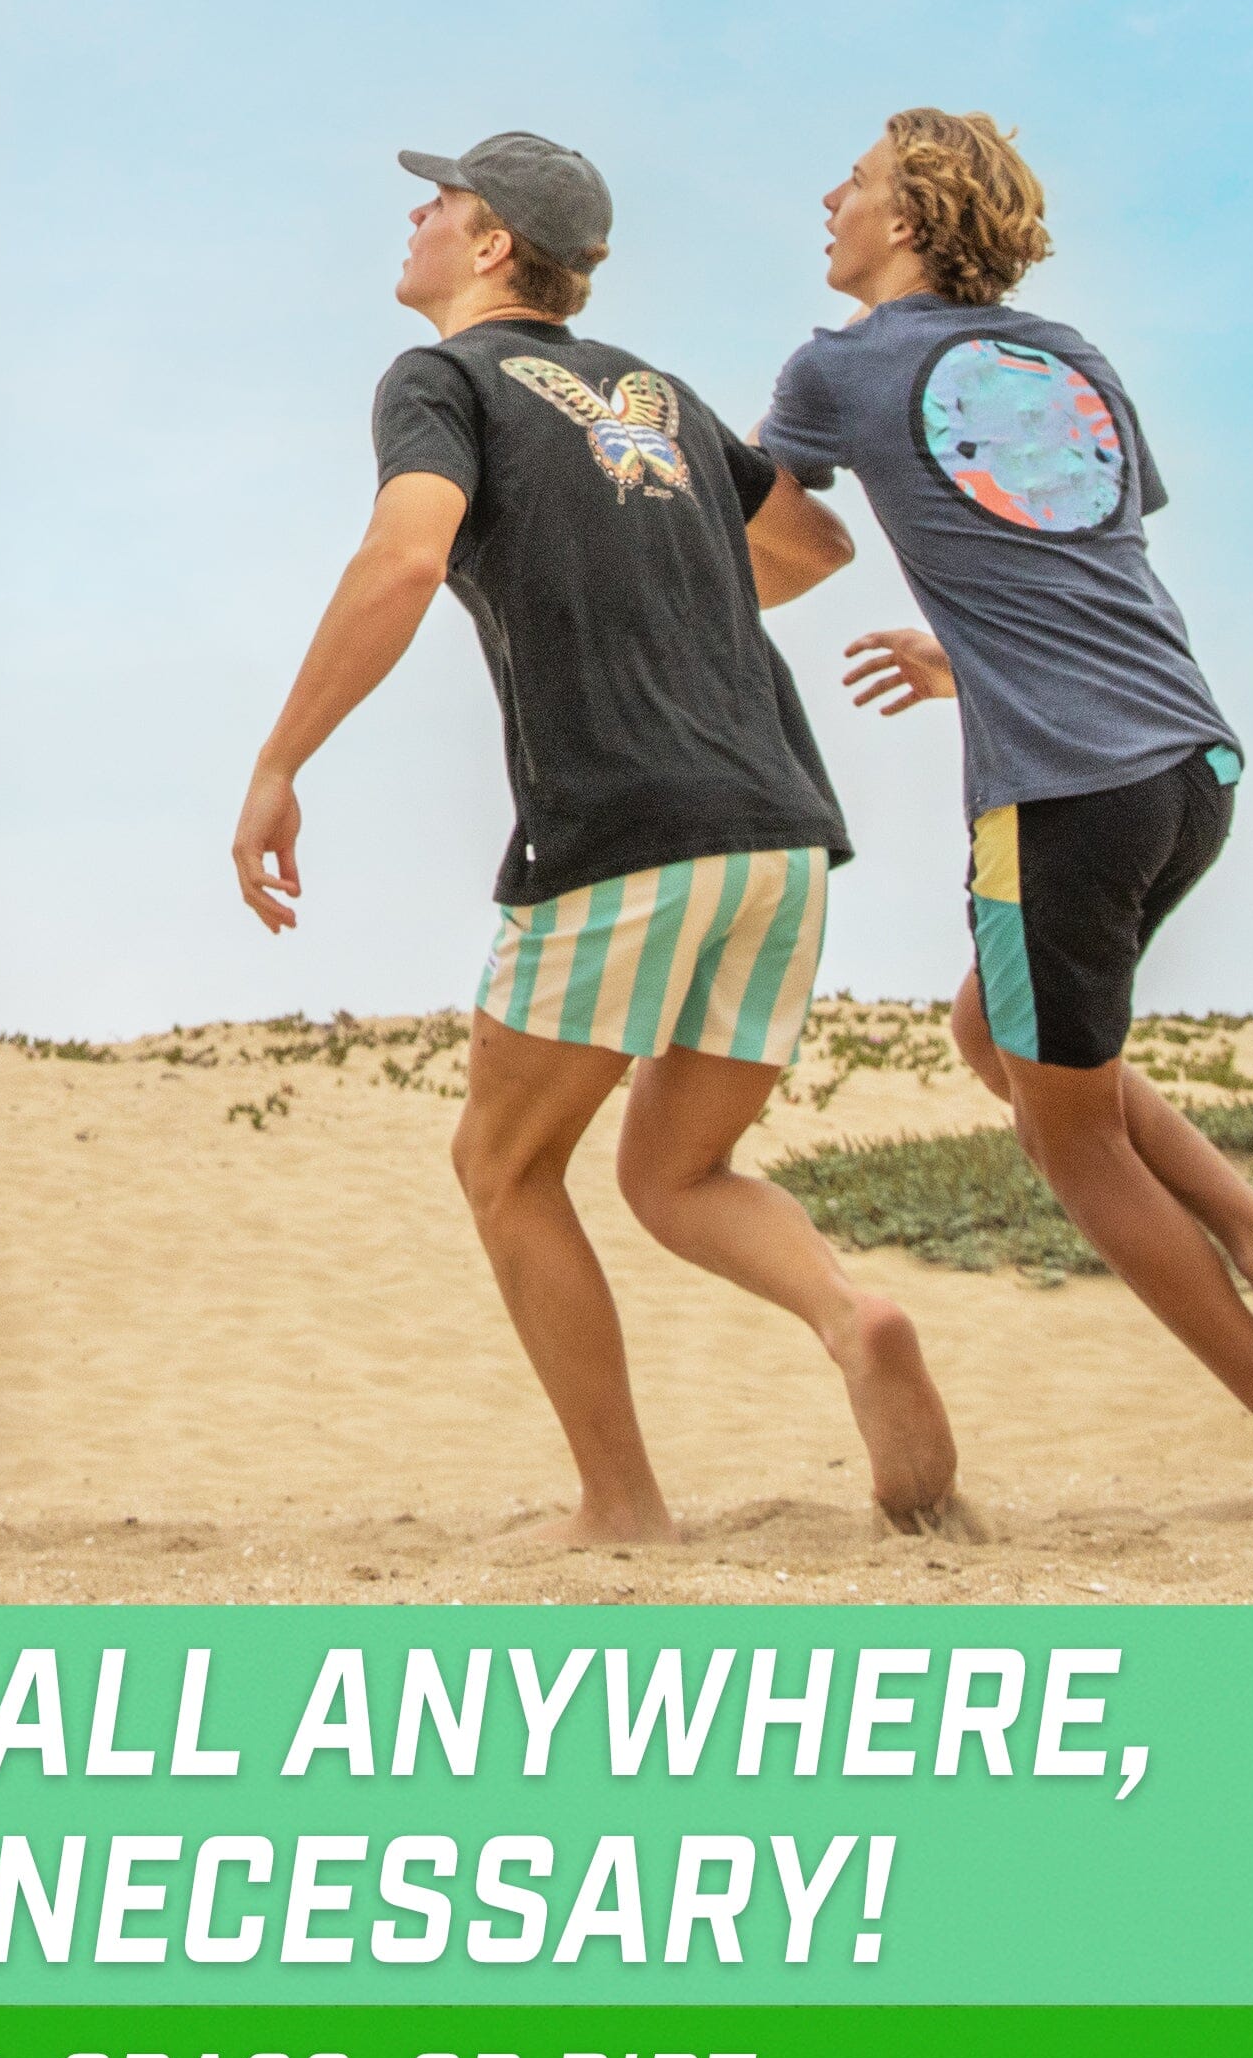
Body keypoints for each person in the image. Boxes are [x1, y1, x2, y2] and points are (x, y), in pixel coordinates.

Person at [233, 131, 967, 1541]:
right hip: (779, 825)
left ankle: (622, 1504)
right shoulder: (659, 393)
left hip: (623, 823)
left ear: (495, 244)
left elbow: (402, 555)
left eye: (439, 202)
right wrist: (656, 582)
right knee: (675, 1172)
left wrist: (281, 759)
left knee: (504, 1169)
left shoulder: (442, 377)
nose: (418, 216)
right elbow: (814, 548)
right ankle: (851, 1312)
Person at [757, 107, 1253, 1517]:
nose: (830, 199)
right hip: (1186, 759)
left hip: (1061, 792)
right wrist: (966, 657)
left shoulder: (842, 367)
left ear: (908, 215)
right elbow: (1068, 545)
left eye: (853, 182)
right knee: (999, 1033)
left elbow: (775, 537)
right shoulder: (1070, 358)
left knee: (1068, 1139)